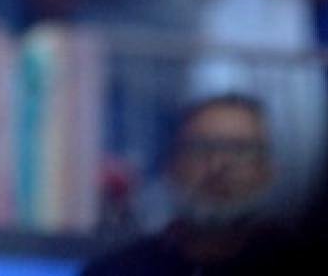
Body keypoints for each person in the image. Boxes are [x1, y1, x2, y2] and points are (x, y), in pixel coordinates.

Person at [76, 94, 284, 276]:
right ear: (172, 165)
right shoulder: (116, 271)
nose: (218, 165)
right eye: (201, 148)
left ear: (267, 170)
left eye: (239, 150)